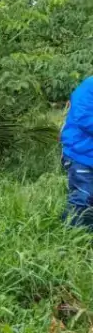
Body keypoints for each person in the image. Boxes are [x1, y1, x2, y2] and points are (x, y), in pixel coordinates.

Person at [61, 76, 93, 230]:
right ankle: (70, 239)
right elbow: (84, 118)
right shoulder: (89, 86)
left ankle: (85, 237)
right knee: (82, 197)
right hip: (80, 153)